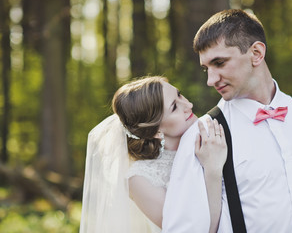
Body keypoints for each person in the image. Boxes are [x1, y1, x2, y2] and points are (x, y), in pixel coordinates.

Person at [162, 9, 292, 232]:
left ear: (257, 53)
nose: (211, 80)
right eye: (206, 68)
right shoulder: (203, 135)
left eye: (219, 63)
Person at [79, 76, 227, 233]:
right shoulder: (139, 179)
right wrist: (213, 170)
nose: (188, 104)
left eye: (180, 94)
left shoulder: (209, 137)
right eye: (174, 107)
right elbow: (194, 229)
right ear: (155, 130)